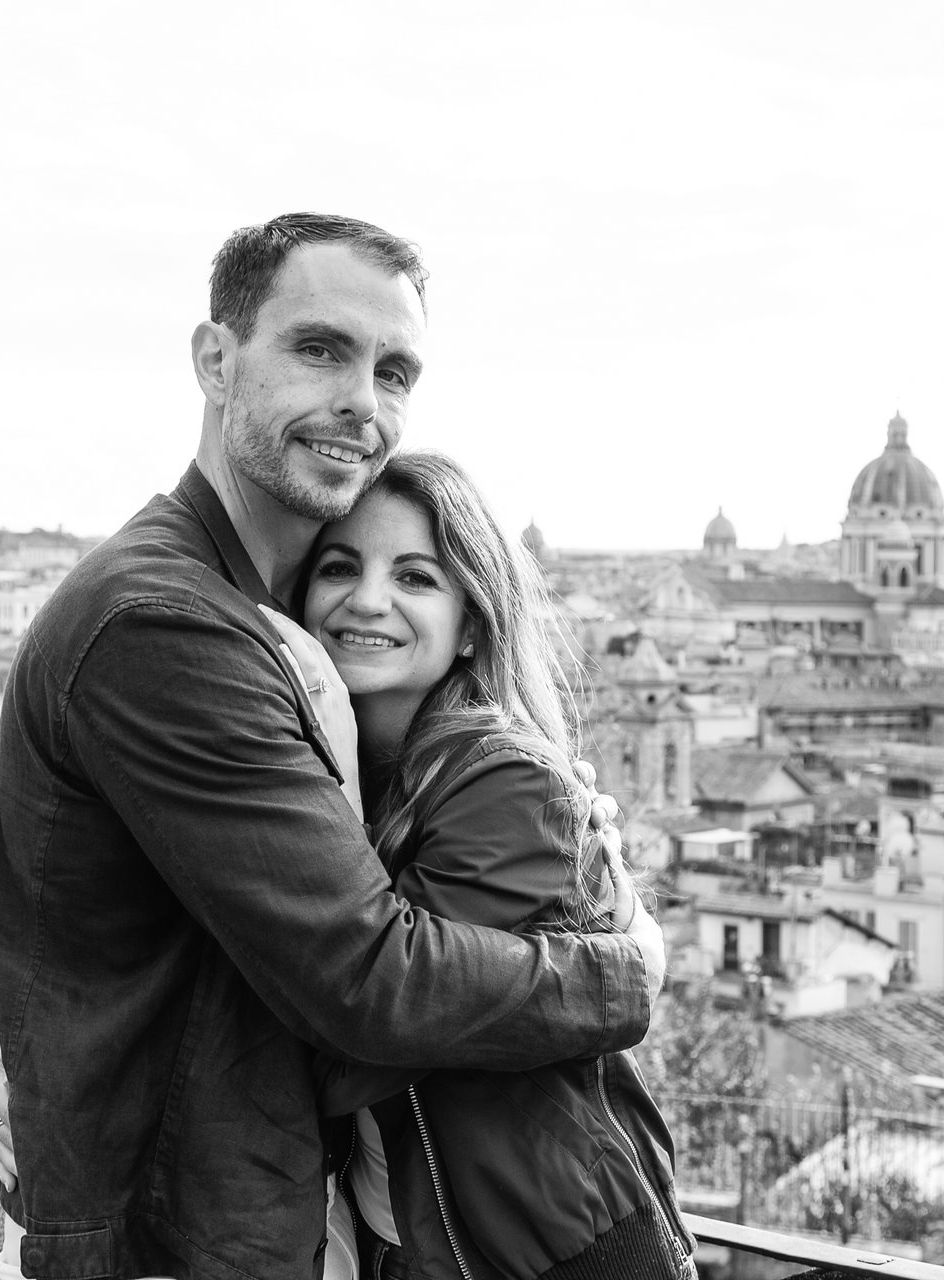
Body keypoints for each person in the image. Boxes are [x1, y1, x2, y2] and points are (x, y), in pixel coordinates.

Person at [0, 213, 666, 1280]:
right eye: (320, 348)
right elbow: (368, 978)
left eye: (394, 372)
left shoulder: (255, 612)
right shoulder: (168, 623)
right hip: (178, 1235)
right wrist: (625, 974)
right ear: (215, 361)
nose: (363, 402)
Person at [296, 450, 697, 1280]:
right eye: (339, 566)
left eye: (414, 576)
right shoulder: (344, 779)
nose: (367, 598)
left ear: (473, 623)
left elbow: (361, 1037)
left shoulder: (506, 781)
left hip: (552, 1257)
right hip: (408, 1242)